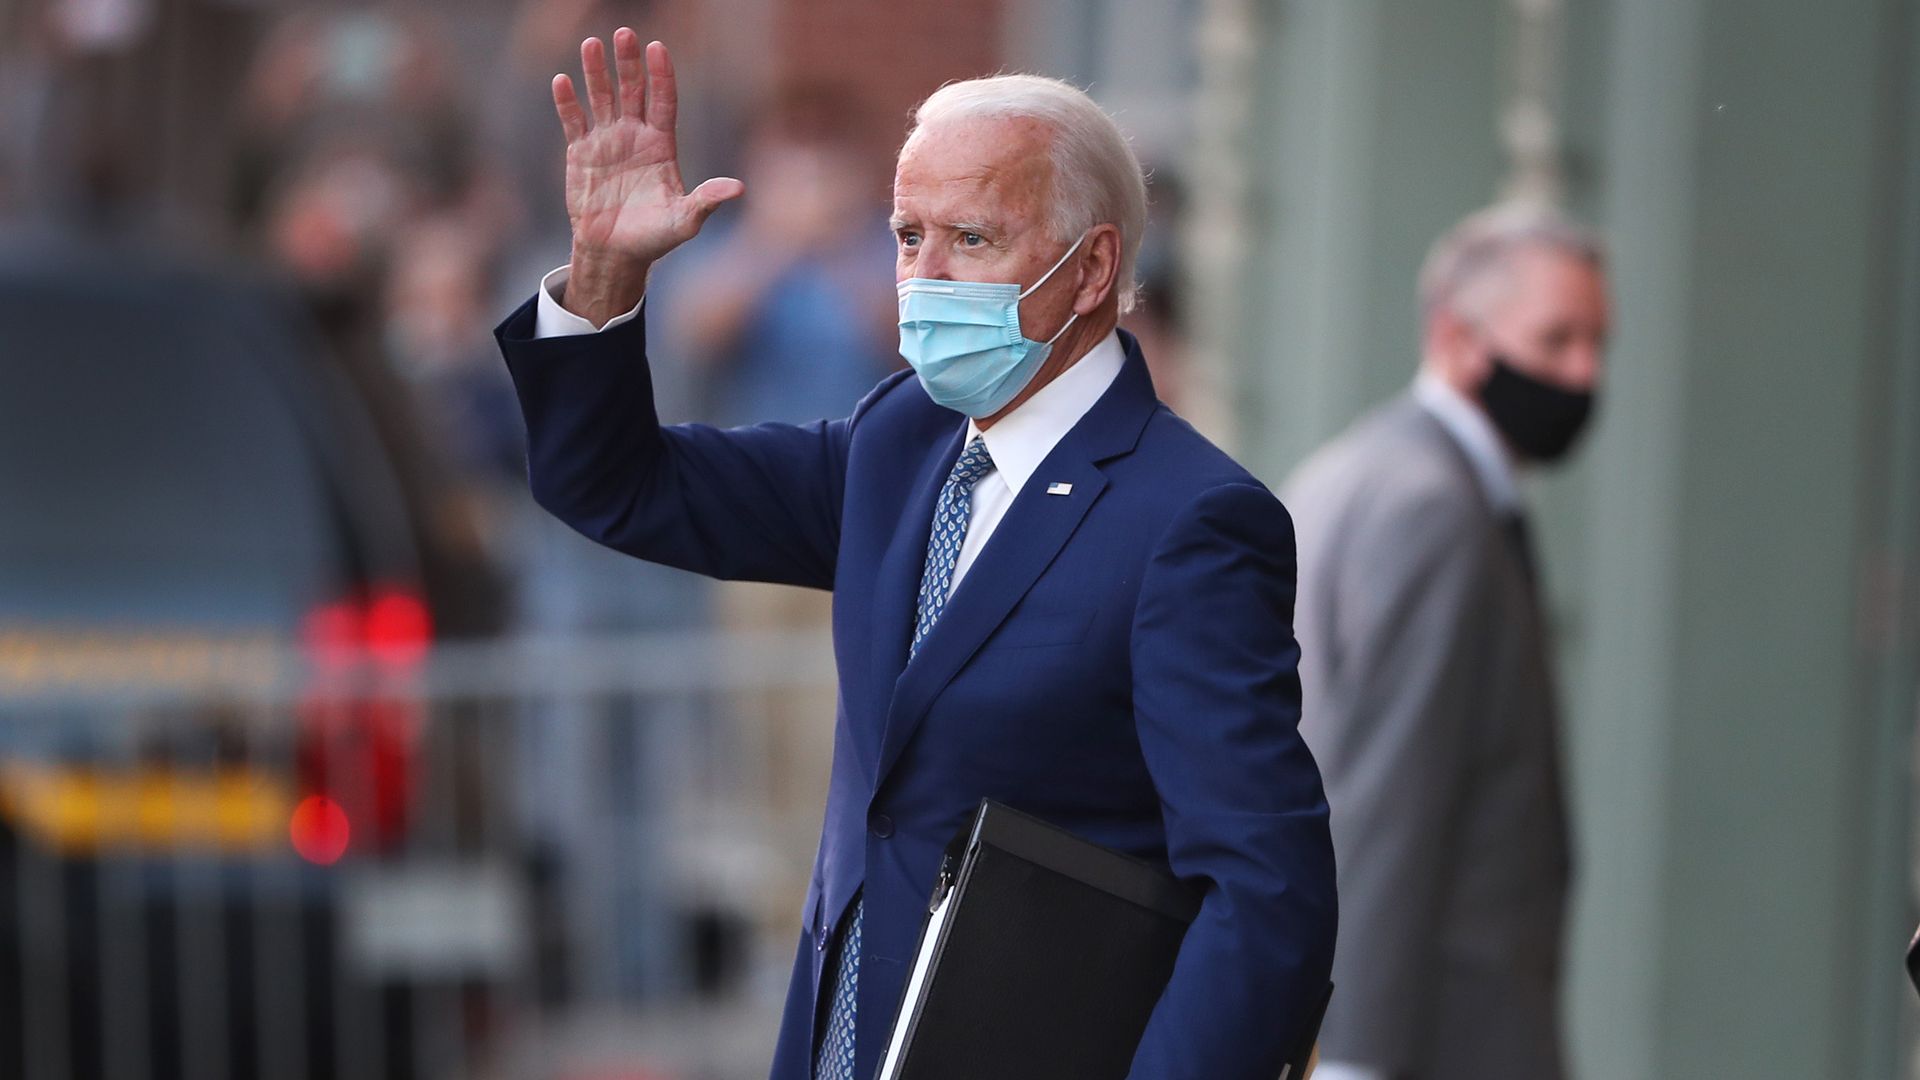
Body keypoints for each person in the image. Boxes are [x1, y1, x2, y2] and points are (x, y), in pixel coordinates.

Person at [492, 29, 1336, 1080]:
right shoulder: (902, 441)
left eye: (970, 239)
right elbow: (621, 488)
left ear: (1094, 268)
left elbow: (1266, 893)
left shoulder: (1191, 522)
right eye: (904, 234)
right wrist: (605, 276)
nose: (922, 277)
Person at [1284, 204, 1610, 1080]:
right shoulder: (1434, 508)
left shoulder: (1362, 468)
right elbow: (1388, 801)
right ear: (1459, 337)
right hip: (1439, 1036)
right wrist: (1354, 1055)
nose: (1584, 374)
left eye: (1596, 344)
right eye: (1556, 342)